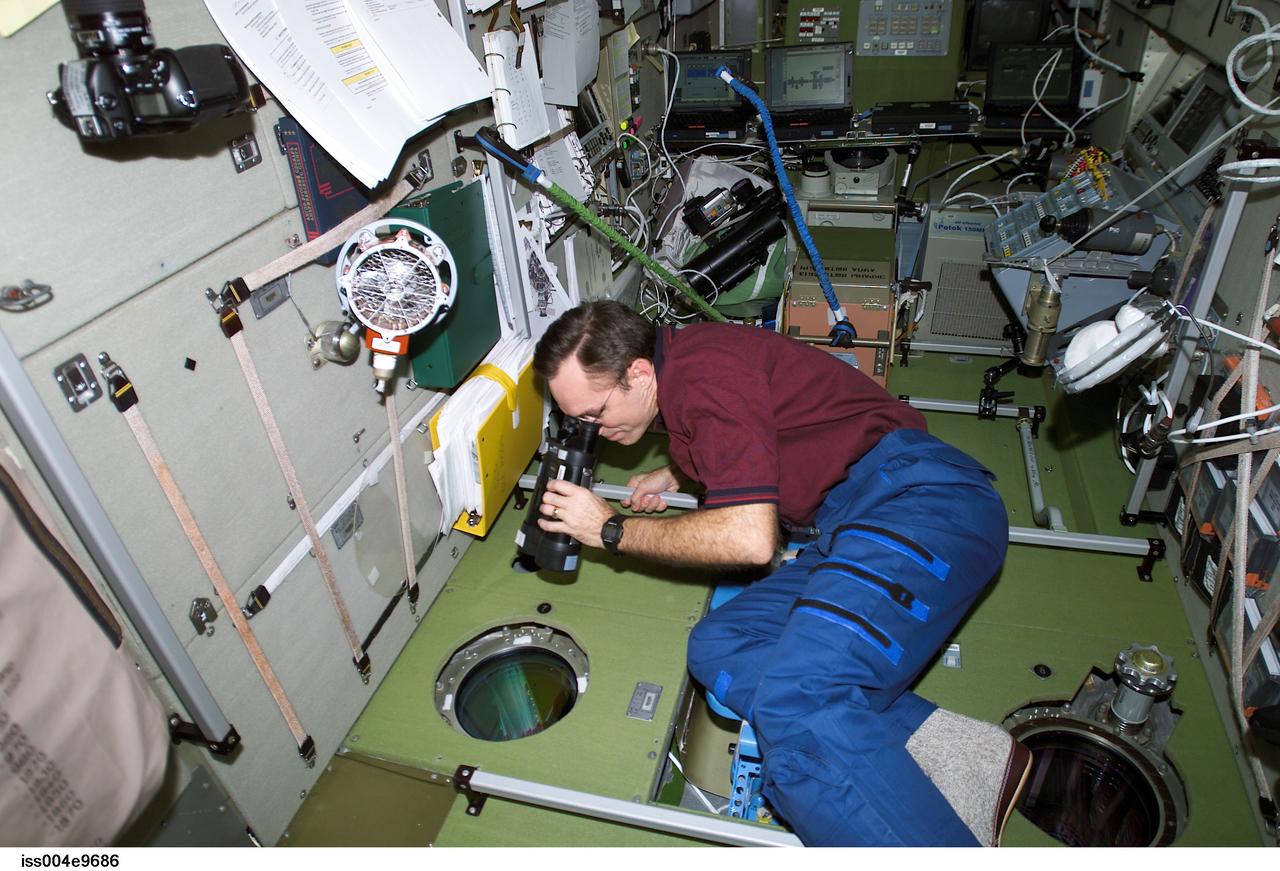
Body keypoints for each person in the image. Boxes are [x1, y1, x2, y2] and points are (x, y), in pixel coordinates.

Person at [531, 300, 1031, 847]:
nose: (593, 431)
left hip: (922, 505)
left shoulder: (702, 376)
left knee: (796, 700)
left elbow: (750, 540)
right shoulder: (690, 370)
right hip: (858, 522)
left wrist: (610, 529)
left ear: (640, 373)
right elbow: (759, 427)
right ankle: (960, 753)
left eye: (594, 413)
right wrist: (677, 470)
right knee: (720, 644)